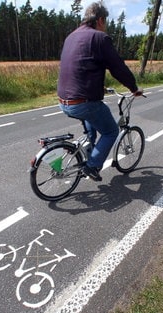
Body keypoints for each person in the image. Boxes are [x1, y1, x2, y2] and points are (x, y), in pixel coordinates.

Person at [57, 1, 142, 182]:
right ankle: (92, 166)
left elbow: (79, 66)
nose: (106, 26)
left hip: (63, 100)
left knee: (92, 127)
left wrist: (97, 86)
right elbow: (118, 68)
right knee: (110, 131)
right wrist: (133, 88)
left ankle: (87, 151)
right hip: (83, 102)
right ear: (101, 20)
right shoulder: (100, 38)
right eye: (106, 22)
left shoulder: (71, 37)